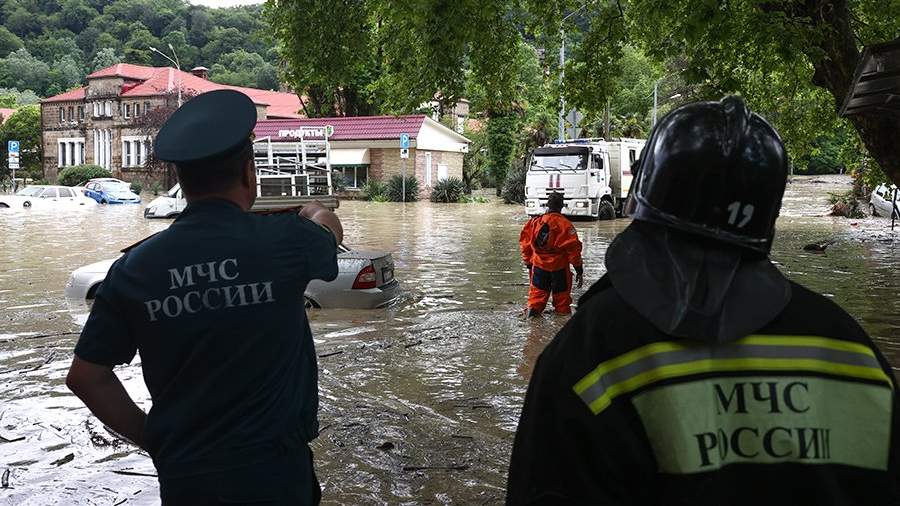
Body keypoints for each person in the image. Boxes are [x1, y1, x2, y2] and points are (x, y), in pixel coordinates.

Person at [506, 96, 900, 505]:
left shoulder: (588, 353)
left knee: (540, 305)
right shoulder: (852, 350)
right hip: (556, 273)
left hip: (541, 273)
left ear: (645, 189)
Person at [65, 90, 343, 505]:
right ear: (250, 173)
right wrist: (313, 209)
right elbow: (330, 233)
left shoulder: (133, 269)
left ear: (182, 181)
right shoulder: (287, 242)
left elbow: (86, 377)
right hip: (278, 476)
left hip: (188, 481)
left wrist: (157, 441)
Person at [519, 192, 584, 317]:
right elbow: (574, 251)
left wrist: (528, 263)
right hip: (559, 269)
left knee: (535, 300)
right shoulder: (566, 225)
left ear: (547, 205)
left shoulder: (534, 223)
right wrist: (579, 270)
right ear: (562, 206)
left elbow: (525, 244)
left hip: (539, 266)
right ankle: (560, 328)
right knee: (562, 303)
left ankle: (532, 327)